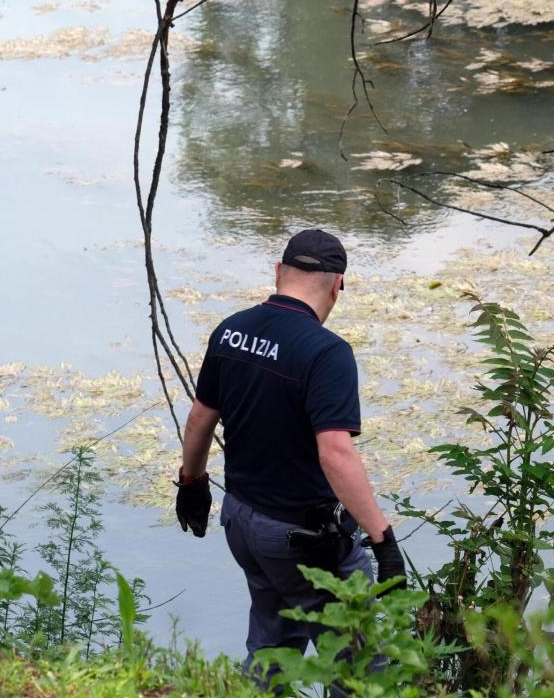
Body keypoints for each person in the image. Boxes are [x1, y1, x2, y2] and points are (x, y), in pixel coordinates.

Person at [173, 228, 406, 672]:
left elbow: (201, 416)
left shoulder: (231, 331)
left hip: (241, 521)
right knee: (360, 665)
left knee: (272, 647)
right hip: (300, 540)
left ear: (279, 272)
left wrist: (192, 483)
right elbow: (335, 452)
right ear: (338, 285)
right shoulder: (326, 353)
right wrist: (383, 540)